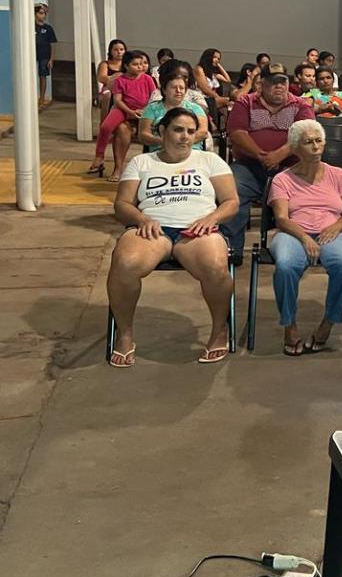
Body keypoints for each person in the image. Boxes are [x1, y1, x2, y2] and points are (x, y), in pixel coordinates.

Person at [108, 107, 238, 367]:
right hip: (152, 228)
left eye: (191, 131)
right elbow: (122, 204)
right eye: (178, 130)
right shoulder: (141, 163)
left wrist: (211, 219)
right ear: (162, 131)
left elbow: (231, 202)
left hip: (198, 229)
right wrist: (142, 219)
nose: (185, 137)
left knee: (215, 265)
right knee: (125, 263)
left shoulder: (209, 161)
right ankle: (124, 335)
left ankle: (219, 330)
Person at [268, 120, 342, 356]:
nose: (316, 147)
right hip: (293, 232)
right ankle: (289, 325)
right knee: (286, 266)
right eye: (308, 142)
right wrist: (305, 238)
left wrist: (337, 226)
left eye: (319, 141)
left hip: (332, 231)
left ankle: (328, 323)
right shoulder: (283, 179)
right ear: (296, 148)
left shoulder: (337, 174)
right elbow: (281, 218)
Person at [222, 64, 315, 255]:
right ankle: (232, 251)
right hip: (250, 166)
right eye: (273, 83)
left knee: (307, 193)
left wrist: (279, 155)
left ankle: (298, 248)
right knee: (233, 188)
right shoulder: (245, 102)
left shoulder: (300, 104)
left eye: (283, 82)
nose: (279, 86)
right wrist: (261, 155)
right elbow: (237, 133)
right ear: (261, 85)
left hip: (291, 167)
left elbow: (305, 133)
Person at [88, 49, 157, 181]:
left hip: (144, 111)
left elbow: (154, 97)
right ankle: (99, 155)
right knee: (105, 127)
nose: (140, 67)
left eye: (142, 64)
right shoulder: (120, 80)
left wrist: (145, 110)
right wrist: (130, 112)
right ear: (126, 66)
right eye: (135, 64)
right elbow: (117, 100)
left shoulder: (148, 79)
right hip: (123, 109)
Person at [138, 65, 208, 152]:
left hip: (191, 151)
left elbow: (203, 132)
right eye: (174, 87)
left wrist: (181, 143)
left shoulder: (195, 108)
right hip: (161, 151)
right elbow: (143, 135)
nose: (178, 91)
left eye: (182, 88)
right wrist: (164, 142)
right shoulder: (152, 108)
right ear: (164, 90)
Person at [96, 38, 126, 119]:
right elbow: (101, 78)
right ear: (110, 51)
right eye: (115, 50)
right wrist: (117, 77)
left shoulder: (127, 64)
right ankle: (104, 122)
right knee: (107, 95)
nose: (119, 52)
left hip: (125, 89)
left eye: (121, 49)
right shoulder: (105, 64)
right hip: (108, 89)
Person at [34, 3, 57, 107]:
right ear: (35, 14)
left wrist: (51, 59)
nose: (43, 16)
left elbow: (52, 44)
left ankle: (42, 98)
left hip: (44, 56)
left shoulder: (48, 29)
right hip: (33, 56)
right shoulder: (31, 27)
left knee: (42, 76)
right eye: (41, 13)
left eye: (44, 14)